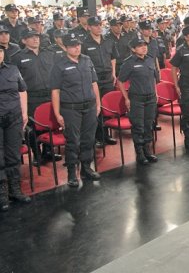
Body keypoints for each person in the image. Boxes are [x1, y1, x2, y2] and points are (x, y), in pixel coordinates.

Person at [49, 31, 102, 188]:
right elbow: (55, 91)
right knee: (73, 141)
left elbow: (94, 84)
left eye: (78, 45)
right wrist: (57, 113)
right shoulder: (59, 65)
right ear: (66, 48)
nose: (77, 48)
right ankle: (72, 172)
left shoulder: (87, 60)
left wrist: (98, 104)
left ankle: (86, 168)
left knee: (88, 139)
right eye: (73, 46)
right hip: (71, 109)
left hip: (89, 107)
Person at [12, 29, 63, 166]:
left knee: (50, 124)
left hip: (49, 94)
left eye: (37, 37)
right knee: (33, 127)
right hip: (31, 96)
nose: (36, 39)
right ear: (24, 40)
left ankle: (48, 151)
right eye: (31, 37)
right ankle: (37, 154)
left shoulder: (49, 54)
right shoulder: (17, 57)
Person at [117, 35, 159, 165]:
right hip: (137, 99)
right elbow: (120, 81)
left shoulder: (150, 60)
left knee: (148, 125)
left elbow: (153, 78)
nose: (144, 48)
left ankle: (147, 150)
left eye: (145, 45)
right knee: (138, 126)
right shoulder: (129, 62)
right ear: (134, 49)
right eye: (140, 46)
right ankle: (139, 153)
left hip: (150, 97)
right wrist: (126, 98)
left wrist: (156, 93)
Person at [0, 46, 31, 212]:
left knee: (13, 155)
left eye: (0, 51)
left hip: (14, 119)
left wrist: (25, 113)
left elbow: (22, 90)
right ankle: (2, 193)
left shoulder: (12, 69)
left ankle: (15, 190)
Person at [82, 16, 118, 148]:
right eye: (96, 25)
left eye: (100, 25)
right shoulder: (85, 43)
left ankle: (106, 134)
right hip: (93, 81)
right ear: (89, 27)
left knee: (106, 107)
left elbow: (113, 57)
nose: (99, 28)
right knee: (95, 109)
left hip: (108, 77)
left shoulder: (108, 41)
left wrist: (113, 73)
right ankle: (97, 136)